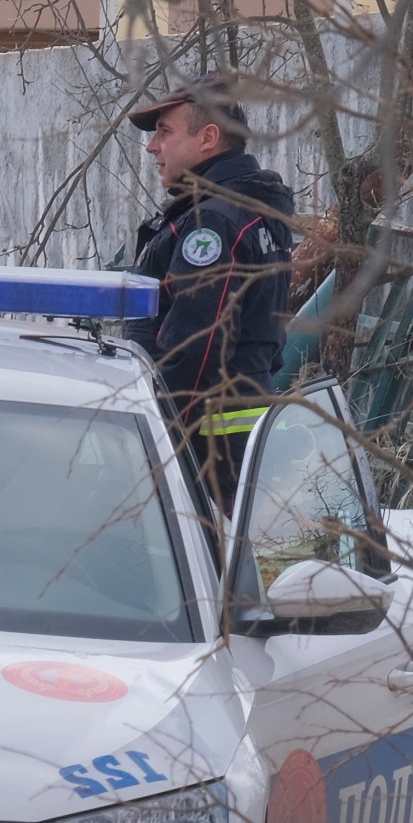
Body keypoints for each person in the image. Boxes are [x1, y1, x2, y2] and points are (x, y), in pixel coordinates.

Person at [121, 73, 298, 505]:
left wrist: (156, 437)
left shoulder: (213, 223)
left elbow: (196, 347)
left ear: (209, 138)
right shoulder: (247, 211)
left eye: (164, 132)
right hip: (230, 439)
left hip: (204, 448)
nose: (152, 147)